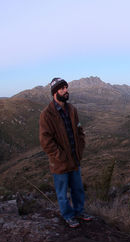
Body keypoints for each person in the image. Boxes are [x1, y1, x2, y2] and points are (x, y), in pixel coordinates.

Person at [39, 77, 94, 228]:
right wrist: (60, 156)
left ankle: (79, 212)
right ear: (54, 92)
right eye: (62, 88)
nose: (65, 91)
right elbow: (45, 141)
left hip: (75, 159)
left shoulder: (72, 110)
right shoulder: (47, 114)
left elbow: (79, 130)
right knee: (63, 194)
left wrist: (80, 148)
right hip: (60, 163)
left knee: (78, 189)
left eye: (66, 88)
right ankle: (68, 216)